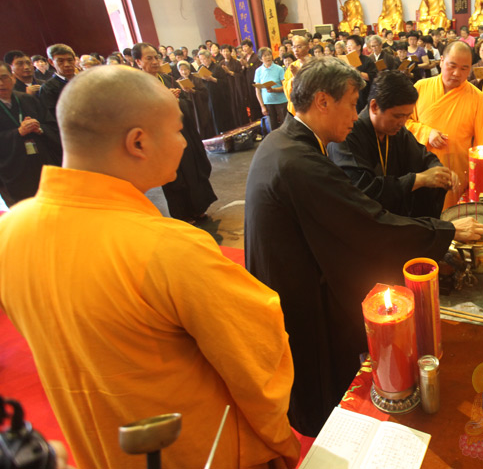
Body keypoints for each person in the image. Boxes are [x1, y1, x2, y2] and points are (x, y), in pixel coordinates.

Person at [0, 65, 300, 469]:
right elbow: (258, 364)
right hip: (198, 453)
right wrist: (277, 442)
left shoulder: (10, 232)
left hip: (99, 451)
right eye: (178, 130)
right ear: (138, 142)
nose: (183, 142)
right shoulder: (168, 248)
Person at [244, 57, 483, 437]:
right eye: (352, 101)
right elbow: (366, 222)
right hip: (297, 290)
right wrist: (445, 229)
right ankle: (330, 437)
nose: (355, 113)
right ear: (323, 101)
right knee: (318, 378)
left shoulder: (289, 142)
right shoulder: (298, 160)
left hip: (300, 273)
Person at [328, 70, 455, 218]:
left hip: (394, 219)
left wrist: (439, 171)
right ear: (375, 107)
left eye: (407, 116)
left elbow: (423, 157)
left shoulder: (397, 131)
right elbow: (363, 191)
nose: (402, 123)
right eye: (398, 116)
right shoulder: (347, 136)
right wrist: (418, 179)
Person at [406, 42, 483, 208]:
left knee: (453, 223)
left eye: (464, 69)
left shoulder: (477, 97)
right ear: (441, 61)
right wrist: (426, 132)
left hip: (456, 175)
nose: (456, 73)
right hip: (421, 172)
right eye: (451, 66)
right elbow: (402, 124)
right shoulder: (420, 88)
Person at [133, 43, 216, 222]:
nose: (155, 61)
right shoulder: (137, 86)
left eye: (156, 57)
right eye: (149, 58)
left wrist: (179, 97)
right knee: (175, 176)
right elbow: (140, 113)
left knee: (192, 169)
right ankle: (183, 213)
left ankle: (198, 207)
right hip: (160, 138)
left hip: (182, 132)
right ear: (138, 61)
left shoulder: (165, 78)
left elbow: (183, 104)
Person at [0, 61, 61, 206]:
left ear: (13, 78)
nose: (1, 83)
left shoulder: (27, 99)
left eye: (4, 77)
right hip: (14, 169)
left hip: (42, 162)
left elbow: (51, 125)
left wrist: (40, 128)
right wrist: (18, 132)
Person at [197, 49, 235, 135]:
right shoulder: (201, 68)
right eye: (201, 60)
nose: (203, 61)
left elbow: (225, 83)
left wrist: (212, 79)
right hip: (208, 96)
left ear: (209, 58)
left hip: (219, 97)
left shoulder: (217, 67)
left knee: (220, 118)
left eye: (204, 59)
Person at [176, 60, 213, 139]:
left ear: (189, 70)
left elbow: (205, 93)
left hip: (198, 107)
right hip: (188, 107)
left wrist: (193, 91)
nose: (184, 72)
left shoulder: (196, 79)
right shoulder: (178, 82)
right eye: (181, 70)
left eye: (185, 69)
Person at [39, 44, 77, 117]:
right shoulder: (48, 88)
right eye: (61, 61)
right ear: (51, 62)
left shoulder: (84, 80)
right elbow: (53, 116)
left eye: (70, 60)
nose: (67, 64)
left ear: (74, 60)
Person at [254, 47, 288, 129]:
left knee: (285, 126)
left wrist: (273, 90)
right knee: (272, 127)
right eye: (265, 56)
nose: (268, 57)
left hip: (281, 101)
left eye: (269, 55)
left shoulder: (279, 69)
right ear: (260, 59)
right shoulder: (258, 71)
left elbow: (285, 86)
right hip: (268, 102)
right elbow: (258, 90)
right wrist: (262, 106)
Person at [346, 35, 378, 113]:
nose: (348, 48)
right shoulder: (345, 61)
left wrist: (357, 72)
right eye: (347, 46)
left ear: (359, 47)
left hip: (363, 94)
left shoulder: (367, 61)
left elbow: (372, 77)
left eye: (351, 45)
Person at [240, 38, 263, 121]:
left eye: (246, 46)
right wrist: (243, 67)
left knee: (256, 102)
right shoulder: (244, 57)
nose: (244, 49)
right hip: (247, 84)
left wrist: (247, 66)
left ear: (251, 47)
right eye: (243, 47)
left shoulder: (256, 57)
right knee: (250, 104)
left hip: (254, 83)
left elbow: (258, 70)